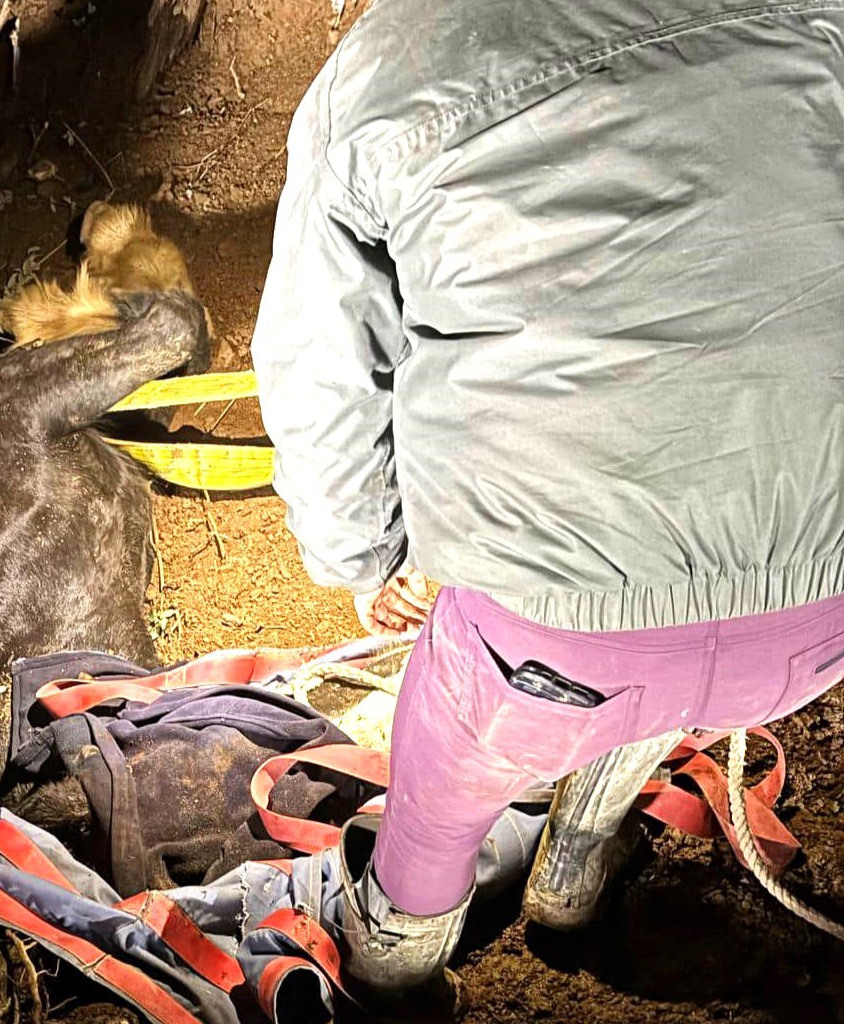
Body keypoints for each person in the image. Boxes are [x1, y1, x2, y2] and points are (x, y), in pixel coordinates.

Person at [251, 0, 844, 1011]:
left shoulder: (395, 59)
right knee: (662, 666)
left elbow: (322, 368)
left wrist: (363, 551)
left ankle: (395, 967)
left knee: (441, 807)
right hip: (815, 620)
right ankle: (572, 880)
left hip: (545, 654)